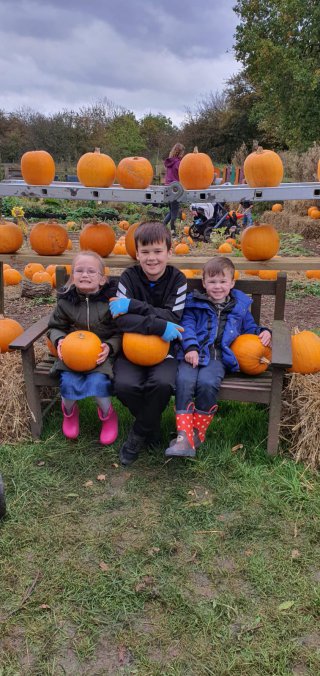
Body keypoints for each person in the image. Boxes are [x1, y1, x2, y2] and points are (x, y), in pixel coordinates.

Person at [166, 256, 271, 458]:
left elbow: (250, 329)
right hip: (192, 354)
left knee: (207, 383)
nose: (217, 286)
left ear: (232, 283)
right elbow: (186, 326)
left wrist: (264, 331)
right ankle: (183, 435)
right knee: (184, 380)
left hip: (218, 357)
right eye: (212, 282)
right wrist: (190, 348)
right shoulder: (194, 303)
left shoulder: (239, 308)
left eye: (223, 282)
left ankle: (197, 433)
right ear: (204, 283)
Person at [109, 221, 187, 466]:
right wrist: (158, 326)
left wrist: (133, 306)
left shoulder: (178, 280)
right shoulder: (129, 277)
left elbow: (174, 318)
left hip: (166, 352)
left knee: (162, 383)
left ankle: (137, 435)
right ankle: (151, 427)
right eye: (145, 252)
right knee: (123, 385)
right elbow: (121, 322)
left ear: (168, 252)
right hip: (130, 350)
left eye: (157, 251)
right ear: (137, 253)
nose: (151, 258)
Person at [47, 251, 121, 444]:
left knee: (98, 382)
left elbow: (120, 332)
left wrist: (110, 347)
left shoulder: (111, 304)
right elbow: (55, 327)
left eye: (91, 271)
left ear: (102, 279)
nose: (84, 275)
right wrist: (59, 340)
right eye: (79, 271)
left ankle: (107, 414)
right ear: (72, 277)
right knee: (68, 382)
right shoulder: (66, 302)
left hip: (100, 356)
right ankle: (69, 412)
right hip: (71, 356)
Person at [163, 142, 185, 235]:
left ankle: (162, 226)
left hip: (167, 188)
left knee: (171, 210)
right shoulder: (179, 163)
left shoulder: (169, 162)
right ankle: (173, 231)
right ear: (180, 152)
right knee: (175, 212)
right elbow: (182, 176)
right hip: (175, 188)